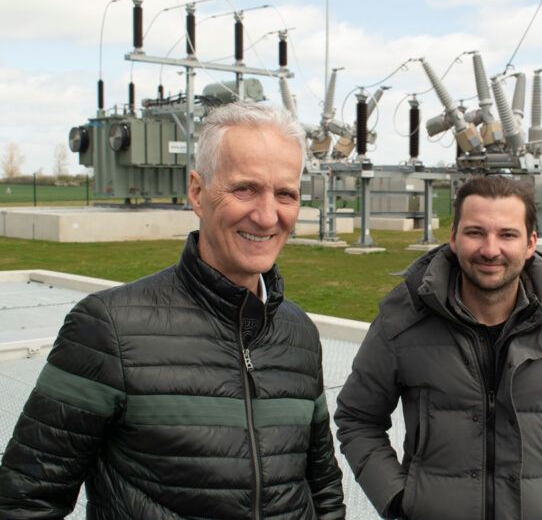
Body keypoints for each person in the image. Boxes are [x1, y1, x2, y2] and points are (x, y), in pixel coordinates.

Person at [0, 102, 346, 519]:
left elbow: (322, 488)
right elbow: (24, 501)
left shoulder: (299, 333)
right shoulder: (108, 330)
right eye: (245, 189)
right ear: (197, 193)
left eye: (285, 194)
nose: (267, 215)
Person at [335, 175, 542, 520]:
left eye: (507, 234)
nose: (491, 250)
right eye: (475, 232)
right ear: (454, 239)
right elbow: (357, 418)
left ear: (531, 243)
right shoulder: (403, 320)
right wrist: (401, 499)